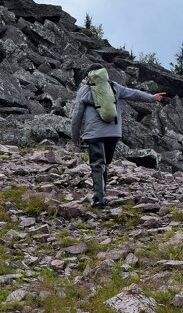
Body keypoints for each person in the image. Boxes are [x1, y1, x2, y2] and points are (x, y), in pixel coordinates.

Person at [70, 67, 165, 208]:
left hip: (94, 135)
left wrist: (75, 136)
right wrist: (152, 98)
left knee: (97, 165)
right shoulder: (114, 86)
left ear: (88, 76)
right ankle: (102, 194)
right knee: (105, 164)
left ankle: (99, 200)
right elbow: (134, 94)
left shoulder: (84, 90)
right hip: (113, 133)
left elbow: (76, 115)